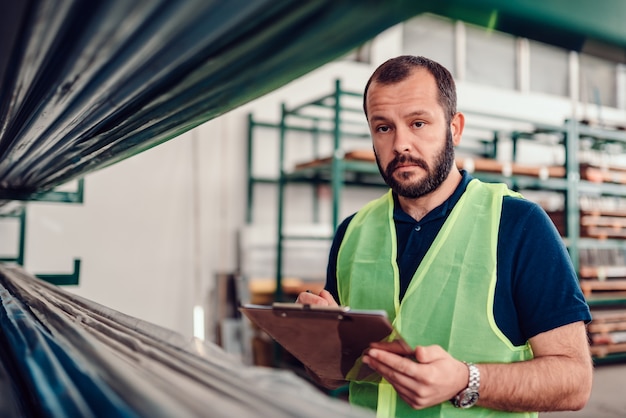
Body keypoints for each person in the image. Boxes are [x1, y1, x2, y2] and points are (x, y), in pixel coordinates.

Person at [296, 55, 593, 417]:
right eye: (383, 127)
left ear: (455, 128)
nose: (401, 144)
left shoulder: (518, 224)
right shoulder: (351, 233)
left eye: (418, 122)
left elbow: (574, 381)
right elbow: (334, 377)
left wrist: (465, 382)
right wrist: (321, 348)